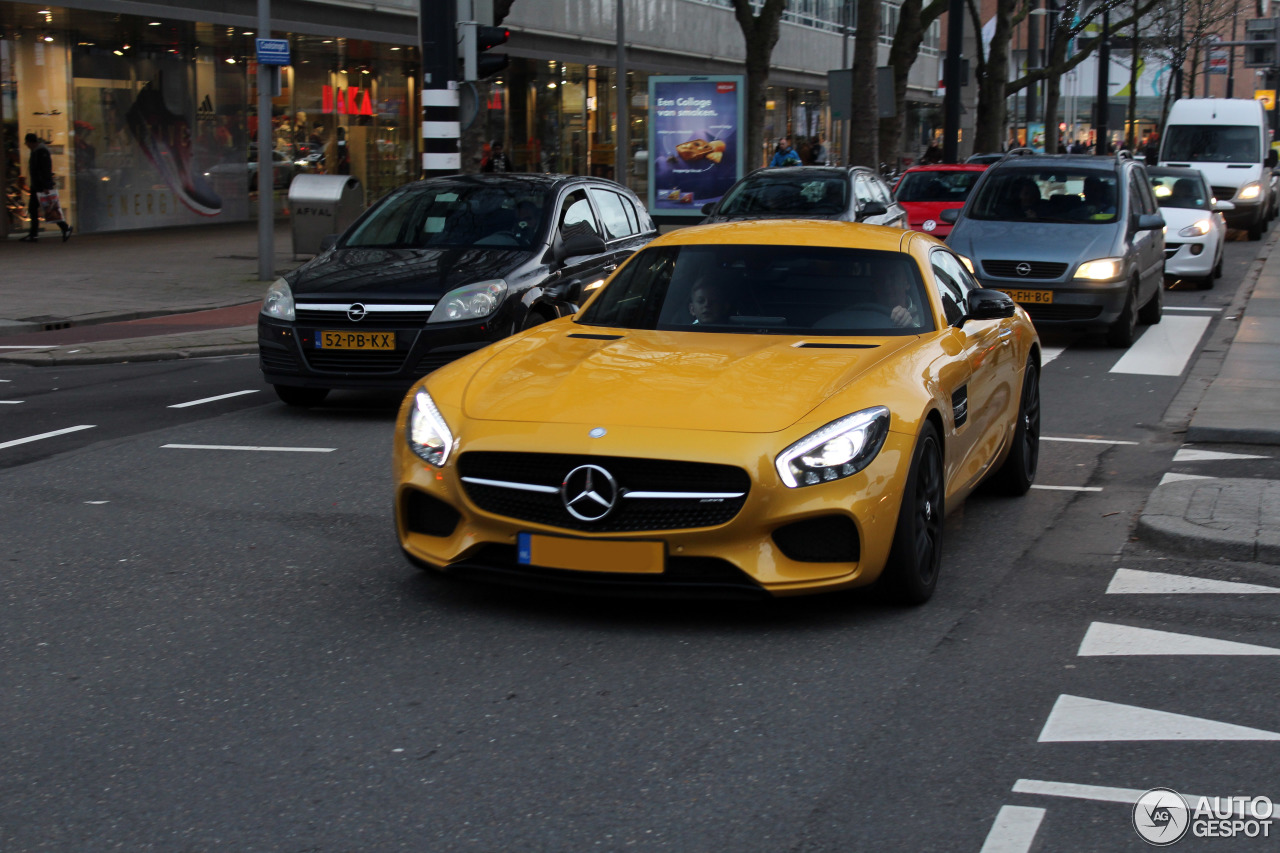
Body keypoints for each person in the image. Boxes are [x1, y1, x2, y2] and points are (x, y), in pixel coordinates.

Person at [20, 133, 70, 243]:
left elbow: (44, 170)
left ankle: (35, 234)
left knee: (46, 209)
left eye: (27, 143)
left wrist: (46, 186)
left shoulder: (41, 152)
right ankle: (63, 227)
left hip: (41, 186)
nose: (27, 145)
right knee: (42, 209)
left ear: (30, 142)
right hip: (38, 186)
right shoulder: (37, 152)